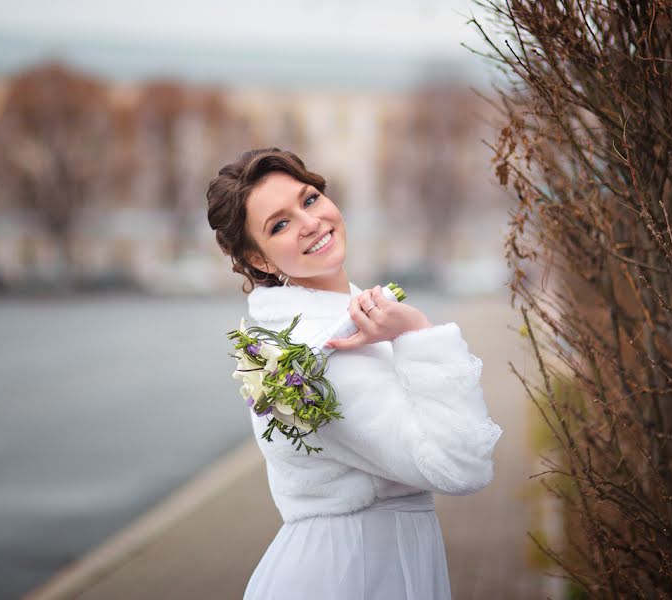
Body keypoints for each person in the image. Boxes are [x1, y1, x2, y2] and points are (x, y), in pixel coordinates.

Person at [206, 147, 503, 599]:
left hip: (364, 557)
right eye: (279, 225)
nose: (309, 222)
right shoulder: (320, 353)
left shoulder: (337, 323)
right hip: (350, 572)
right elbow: (460, 466)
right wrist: (419, 334)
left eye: (309, 200)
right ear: (260, 260)